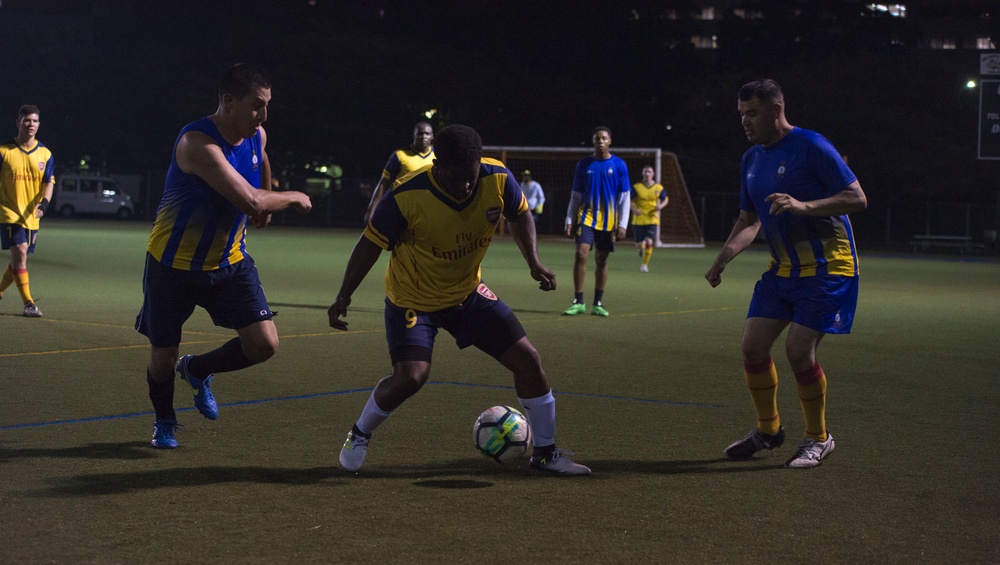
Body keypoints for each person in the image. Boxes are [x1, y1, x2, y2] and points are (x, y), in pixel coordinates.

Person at [328, 124, 590, 476]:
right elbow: (369, 244)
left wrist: (534, 262)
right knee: (411, 377)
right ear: (438, 166)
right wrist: (344, 294)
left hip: (467, 294)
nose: (468, 185)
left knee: (528, 360)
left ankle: (545, 453)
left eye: (472, 176)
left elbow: (520, 214)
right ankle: (359, 434)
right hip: (413, 299)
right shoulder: (406, 195)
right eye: (458, 178)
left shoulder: (496, 177)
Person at [135, 64, 312, 449]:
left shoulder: (256, 134)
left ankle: (198, 370)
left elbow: (261, 160)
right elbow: (248, 199)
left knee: (264, 344)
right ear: (228, 101)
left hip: (229, 263)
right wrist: (288, 197)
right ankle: (164, 420)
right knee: (162, 358)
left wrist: (264, 200)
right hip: (172, 267)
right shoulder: (197, 144)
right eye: (256, 106)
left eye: (267, 106)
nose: (263, 116)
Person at [705, 79, 867, 469]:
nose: (745, 121)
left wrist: (803, 205)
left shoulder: (812, 146)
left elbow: (856, 198)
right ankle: (769, 430)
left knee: (798, 350)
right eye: (741, 114)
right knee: (752, 347)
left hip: (829, 267)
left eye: (753, 113)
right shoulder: (752, 158)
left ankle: (818, 438)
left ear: (776, 110)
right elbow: (749, 218)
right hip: (783, 270)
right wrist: (724, 257)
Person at [562, 126, 630, 317]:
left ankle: (597, 303)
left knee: (602, 259)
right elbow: (575, 196)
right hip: (587, 217)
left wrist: (623, 224)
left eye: (604, 138)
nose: (600, 141)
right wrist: (569, 219)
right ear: (593, 142)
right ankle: (578, 301)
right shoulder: (583, 165)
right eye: (597, 138)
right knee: (580, 254)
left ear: (610, 141)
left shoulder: (619, 165)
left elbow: (624, 197)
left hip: (608, 221)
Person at [0, 105, 55, 318]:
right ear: (18, 122)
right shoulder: (4, 151)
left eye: (34, 121)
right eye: (26, 120)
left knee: (18, 260)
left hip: (32, 217)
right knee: (20, 252)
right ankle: (29, 304)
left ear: (39, 124)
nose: (30, 124)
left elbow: (48, 183)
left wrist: (44, 204)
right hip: (9, 213)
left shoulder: (45, 154)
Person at [363, 121, 435, 224]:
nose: (423, 137)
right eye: (420, 133)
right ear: (414, 135)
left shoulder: (438, 157)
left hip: (428, 210)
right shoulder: (400, 155)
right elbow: (384, 183)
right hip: (403, 210)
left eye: (427, 134)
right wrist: (372, 209)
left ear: (432, 136)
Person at [630, 164, 668, 272]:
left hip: (652, 218)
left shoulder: (658, 188)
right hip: (639, 218)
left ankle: (644, 265)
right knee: (638, 244)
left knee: (649, 240)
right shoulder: (637, 187)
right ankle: (640, 247)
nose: (647, 174)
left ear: (653, 174)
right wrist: (634, 209)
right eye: (645, 171)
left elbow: (666, 199)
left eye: (649, 172)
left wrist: (660, 206)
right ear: (642, 174)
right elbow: (629, 200)